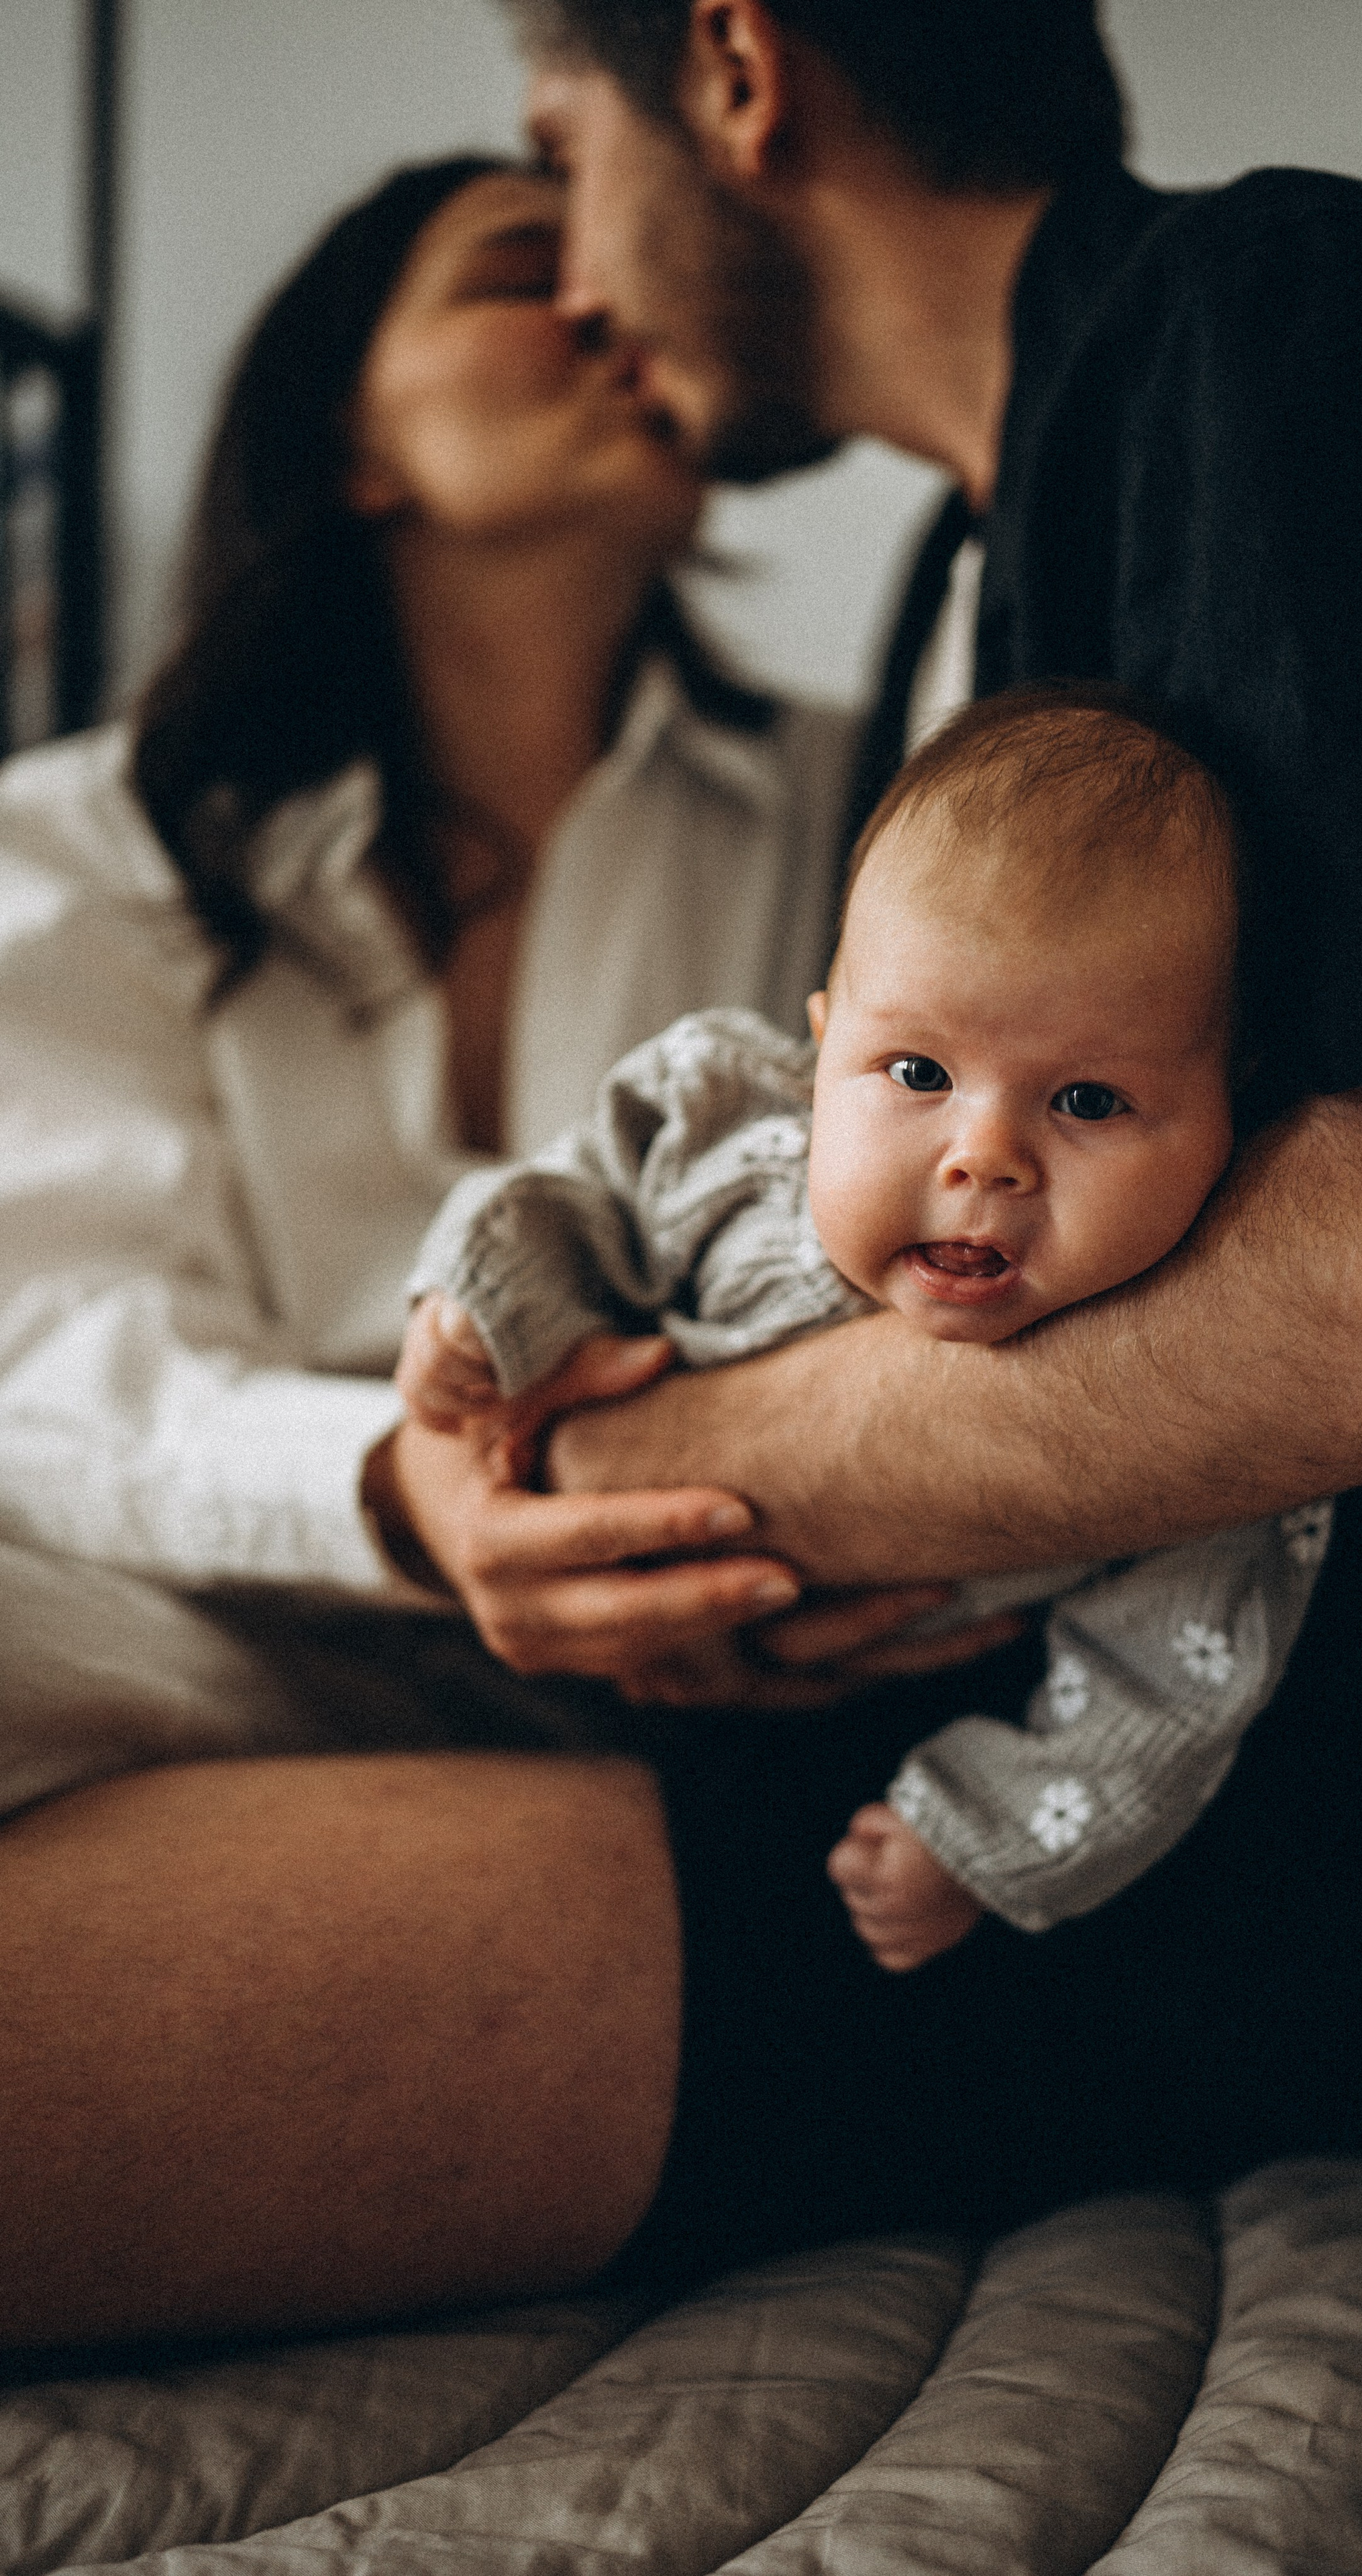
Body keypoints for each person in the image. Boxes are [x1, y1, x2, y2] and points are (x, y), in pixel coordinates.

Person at [387, 0, 1362, 2247]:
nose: (578, 278)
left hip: (1240, 1871)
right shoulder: (964, 574)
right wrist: (498, 1493)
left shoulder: (1275, 325)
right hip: (916, 1770)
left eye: (558, 147)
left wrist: (603, 1489)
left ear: (734, 67)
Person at [0, 154, 1003, 2346]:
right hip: (247, 1618)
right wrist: (400, 1492)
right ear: (348, 440)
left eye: (606, 255)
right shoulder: (79, 847)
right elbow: (52, 1343)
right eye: (512, 274)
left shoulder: (882, 819)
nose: (604, 302)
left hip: (712, 1647)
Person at [399, 687, 1335, 1973]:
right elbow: (576, 1196)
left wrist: (976, 1834)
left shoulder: (1196, 1423)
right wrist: (476, 1309)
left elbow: (1169, 1687)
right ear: (822, 1045)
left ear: (1230, 1120)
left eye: (1089, 1099)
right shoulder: (731, 1131)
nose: (985, 1157)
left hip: (877, 1770)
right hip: (557, 1662)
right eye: (917, 1075)